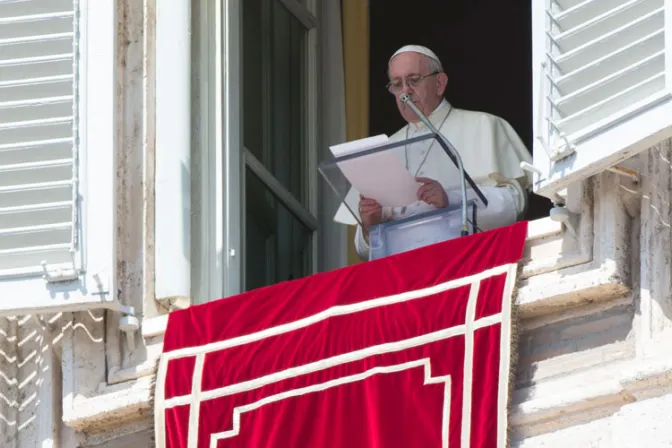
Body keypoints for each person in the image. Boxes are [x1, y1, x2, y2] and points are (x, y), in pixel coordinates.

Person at [353, 45, 533, 260]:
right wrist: (369, 226)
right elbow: (364, 250)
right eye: (397, 84)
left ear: (439, 83)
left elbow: (515, 204)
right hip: (402, 273)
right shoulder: (384, 150)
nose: (405, 91)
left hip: (467, 260)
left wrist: (452, 200)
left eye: (414, 80)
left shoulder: (484, 124)